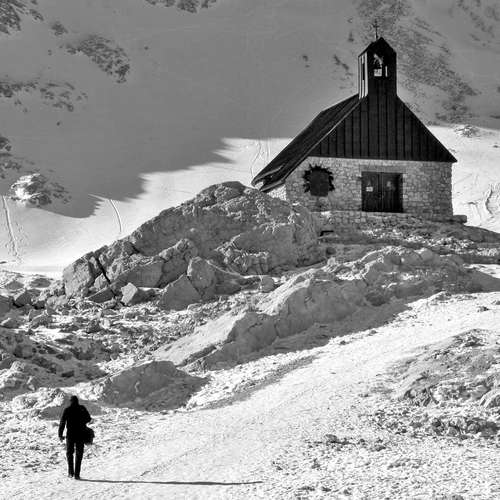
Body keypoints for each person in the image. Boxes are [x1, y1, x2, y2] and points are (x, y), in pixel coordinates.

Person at [58, 395, 91, 480]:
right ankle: (77, 474)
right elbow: (88, 419)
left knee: (69, 453)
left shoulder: (67, 410)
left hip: (70, 435)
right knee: (79, 454)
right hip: (80, 434)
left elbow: (62, 422)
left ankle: (70, 473)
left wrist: (60, 434)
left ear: (70, 401)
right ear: (77, 401)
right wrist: (82, 422)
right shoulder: (82, 408)